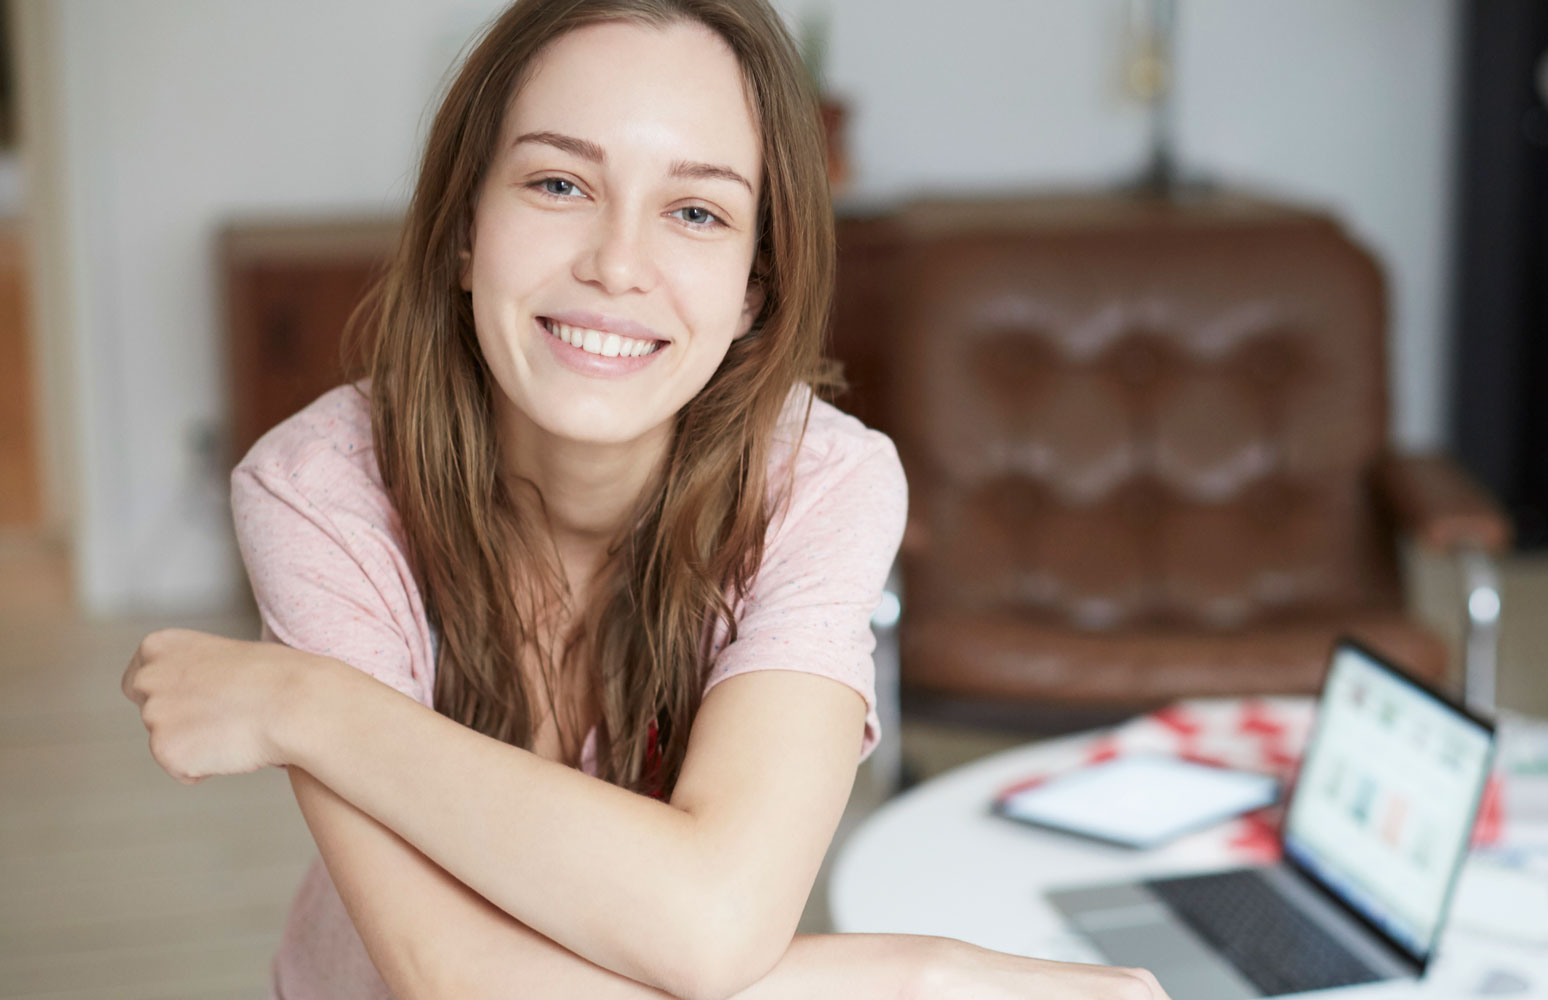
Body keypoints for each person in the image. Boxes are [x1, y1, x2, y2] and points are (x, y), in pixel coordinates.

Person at [117, 2, 1172, 998]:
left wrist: (308, 705)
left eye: (696, 210)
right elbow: (451, 979)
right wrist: (913, 977)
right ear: (462, 230)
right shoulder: (320, 491)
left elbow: (714, 924)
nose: (618, 264)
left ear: (752, 285)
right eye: (558, 185)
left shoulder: (821, 483)